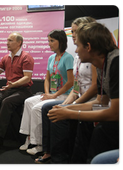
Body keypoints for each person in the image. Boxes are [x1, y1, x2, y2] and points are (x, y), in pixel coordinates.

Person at [47, 22, 120, 164]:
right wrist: (66, 108)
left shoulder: (116, 62)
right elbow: (100, 102)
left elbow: (115, 113)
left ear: (89, 47)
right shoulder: (101, 64)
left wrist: (70, 113)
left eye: (78, 46)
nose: (76, 51)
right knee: (82, 123)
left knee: (96, 130)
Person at [34, 17, 97, 164]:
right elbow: (76, 87)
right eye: (73, 31)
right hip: (78, 99)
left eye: (75, 31)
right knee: (48, 108)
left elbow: (94, 88)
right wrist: (65, 105)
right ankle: (49, 151)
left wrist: (70, 106)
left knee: (58, 113)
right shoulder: (77, 57)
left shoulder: (92, 55)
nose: (73, 35)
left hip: (91, 102)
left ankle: (59, 160)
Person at [19, 29, 74, 155]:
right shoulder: (51, 58)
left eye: (52, 41)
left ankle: (39, 144)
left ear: (60, 41)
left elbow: (70, 82)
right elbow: (47, 78)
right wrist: (46, 93)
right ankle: (29, 138)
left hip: (64, 95)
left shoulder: (68, 58)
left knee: (37, 108)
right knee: (28, 102)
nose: (49, 43)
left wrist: (53, 95)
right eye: (48, 40)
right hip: (52, 94)